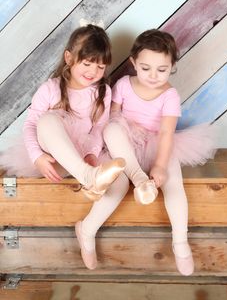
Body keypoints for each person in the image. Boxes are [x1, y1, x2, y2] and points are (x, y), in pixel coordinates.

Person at [0, 23, 129, 269]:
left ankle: (88, 230)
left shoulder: (103, 91)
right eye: (87, 63)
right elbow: (31, 126)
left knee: (121, 180)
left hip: (85, 157)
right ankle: (88, 176)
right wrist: (37, 155)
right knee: (47, 119)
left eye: (101, 66)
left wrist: (91, 154)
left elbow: (99, 128)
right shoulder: (50, 88)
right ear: (69, 58)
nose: (93, 71)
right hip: (54, 159)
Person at [103, 29, 216, 276]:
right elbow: (112, 118)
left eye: (162, 70)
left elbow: (166, 133)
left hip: (156, 143)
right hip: (125, 143)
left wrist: (161, 165)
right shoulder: (123, 85)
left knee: (174, 183)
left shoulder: (169, 95)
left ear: (172, 66)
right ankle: (136, 177)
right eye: (145, 69)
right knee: (111, 129)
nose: (153, 76)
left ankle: (180, 241)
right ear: (133, 62)